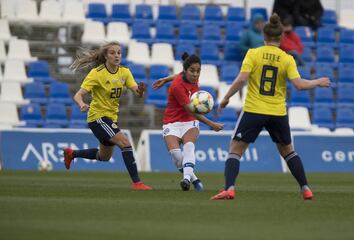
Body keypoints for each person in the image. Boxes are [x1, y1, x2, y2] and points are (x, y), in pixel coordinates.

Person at [210, 14, 330, 200]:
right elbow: (299, 85)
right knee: (288, 151)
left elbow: (242, 79)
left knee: (235, 149)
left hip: (254, 109)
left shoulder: (253, 53)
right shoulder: (287, 58)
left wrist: (226, 97)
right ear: (281, 38)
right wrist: (318, 81)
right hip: (277, 112)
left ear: (263, 36)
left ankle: (230, 188)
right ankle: (305, 188)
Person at [63, 41, 152, 191]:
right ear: (105, 56)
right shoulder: (97, 74)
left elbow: (137, 93)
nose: (116, 55)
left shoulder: (125, 72)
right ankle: (137, 183)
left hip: (110, 119)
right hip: (97, 118)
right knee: (125, 143)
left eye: (119, 53)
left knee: (103, 157)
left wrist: (141, 91)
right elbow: (78, 95)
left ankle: (72, 154)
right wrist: (82, 104)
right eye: (112, 53)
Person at [152, 53, 224, 191]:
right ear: (185, 70)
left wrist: (165, 79)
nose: (196, 74)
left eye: (198, 71)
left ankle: (186, 180)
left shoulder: (190, 77)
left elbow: (178, 75)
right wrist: (211, 124)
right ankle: (194, 179)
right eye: (192, 71)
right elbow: (191, 110)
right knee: (176, 154)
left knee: (189, 146)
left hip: (189, 122)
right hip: (172, 122)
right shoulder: (177, 87)